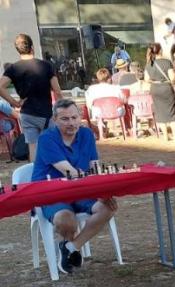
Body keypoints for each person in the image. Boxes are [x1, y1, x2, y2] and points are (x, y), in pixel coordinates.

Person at [31, 99, 117, 274]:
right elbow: (69, 172)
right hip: (52, 193)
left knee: (108, 207)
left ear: (80, 117)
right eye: (65, 119)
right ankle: (69, 246)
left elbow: (94, 167)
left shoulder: (86, 134)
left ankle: (71, 247)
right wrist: (94, 188)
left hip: (81, 190)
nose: (71, 123)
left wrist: (102, 192)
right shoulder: (47, 138)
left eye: (74, 117)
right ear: (55, 120)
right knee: (66, 219)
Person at [0, 34, 63, 161]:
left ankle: (36, 171)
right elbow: (57, 91)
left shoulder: (13, 68)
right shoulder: (46, 66)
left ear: (18, 50)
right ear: (32, 47)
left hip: (27, 113)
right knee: (52, 145)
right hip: (46, 113)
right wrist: (61, 110)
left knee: (33, 146)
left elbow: (0, 86)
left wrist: (15, 103)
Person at [144, 43, 175, 141]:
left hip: (155, 88)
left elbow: (146, 79)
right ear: (160, 50)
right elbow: (172, 77)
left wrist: (155, 81)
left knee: (160, 112)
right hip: (166, 88)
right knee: (171, 112)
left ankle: (166, 136)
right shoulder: (167, 62)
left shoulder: (149, 64)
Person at [85, 68, 126, 138]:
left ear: (98, 78)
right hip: (116, 112)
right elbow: (123, 100)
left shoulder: (91, 89)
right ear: (109, 78)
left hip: (99, 113)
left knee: (94, 109)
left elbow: (89, 104)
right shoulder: (116, 88)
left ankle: (101, 129)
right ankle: (124, 129)